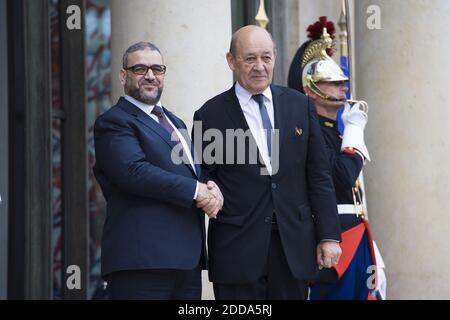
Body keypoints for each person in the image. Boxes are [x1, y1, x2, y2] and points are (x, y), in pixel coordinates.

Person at [192, 25, 342, 300]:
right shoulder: (209, 115)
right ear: (231, 61)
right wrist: (207, 190)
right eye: (249, 58)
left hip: (293, 248)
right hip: (237, 252)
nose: (259, 66)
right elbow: (203, 177)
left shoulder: (300, 105)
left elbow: (319, 174)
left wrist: (329, 235)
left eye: (266, 57)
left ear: (274, 56)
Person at [93, 41, 223, 299]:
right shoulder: (114, 122)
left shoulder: (174, 121)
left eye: (157, 69)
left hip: (186, 262)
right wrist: (195, 191)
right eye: (140, 68)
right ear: (123, 75)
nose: (150, 76)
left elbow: (192, 172)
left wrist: (209, 186)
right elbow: (133, 172)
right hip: (142, 263)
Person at [287, 17, 379, 300]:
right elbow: (341, 178)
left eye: (343, 82)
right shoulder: (309, 133)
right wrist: (353, 131)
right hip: (334, 238)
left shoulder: (335, 133)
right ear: (310, 88)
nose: (343, 88)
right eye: (333, 83)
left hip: (358, 236)